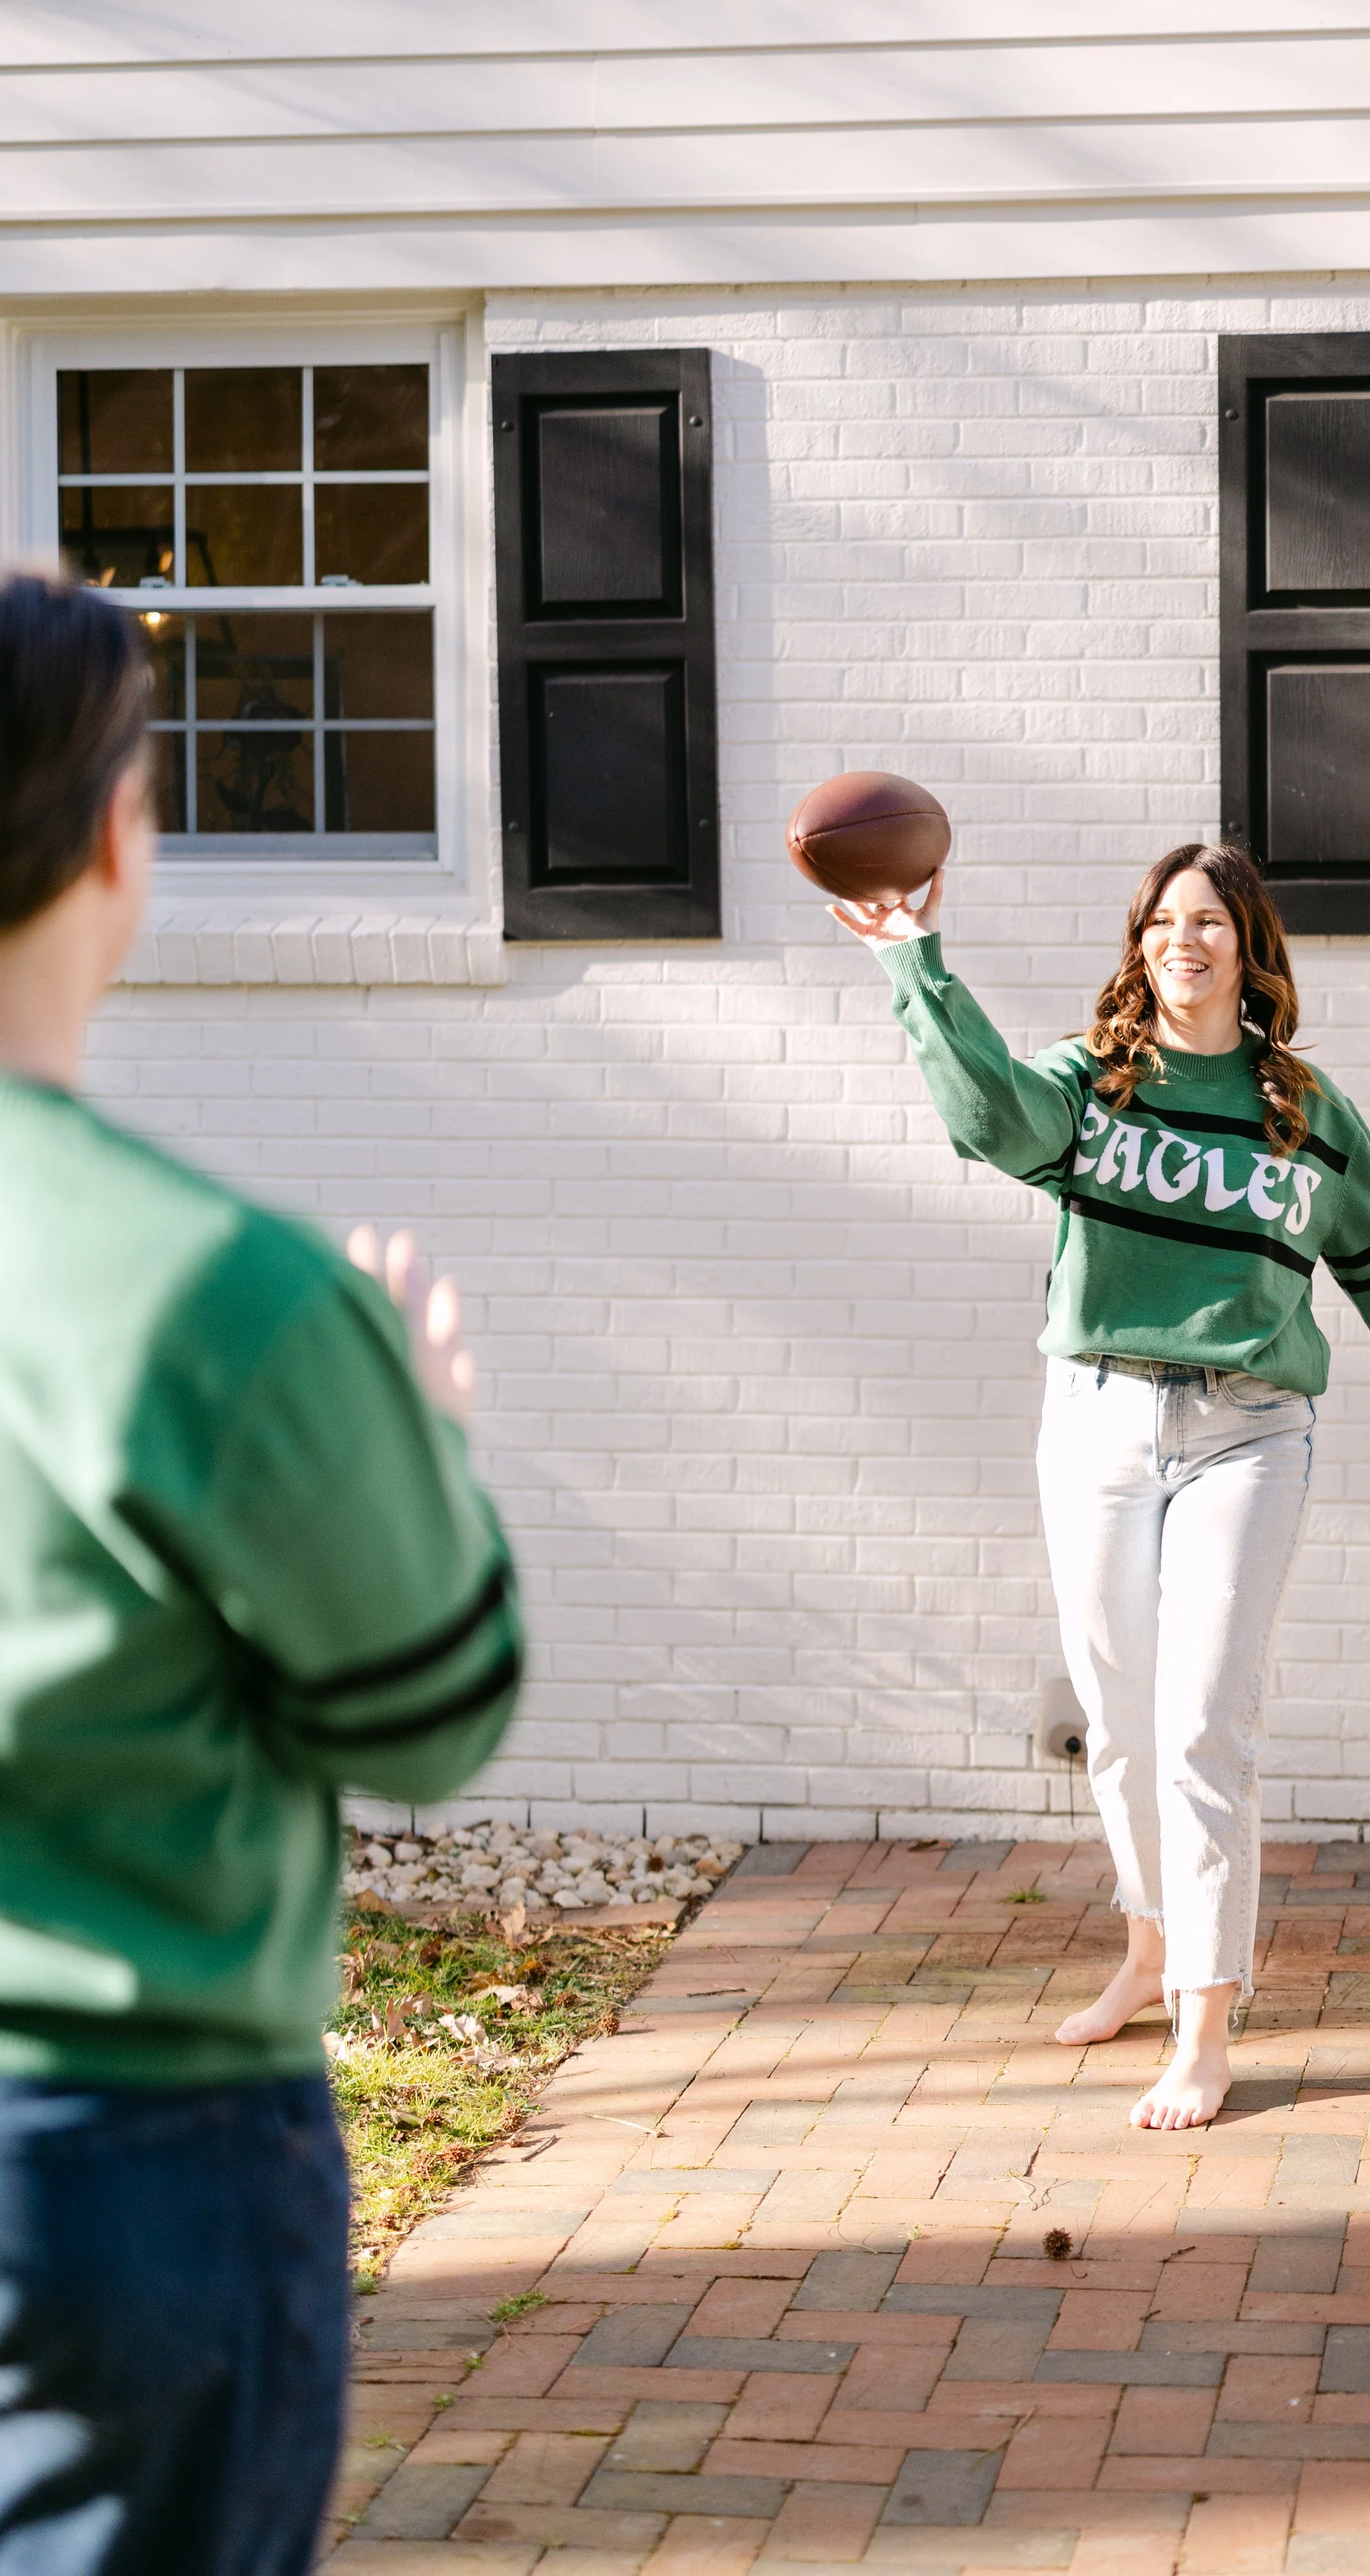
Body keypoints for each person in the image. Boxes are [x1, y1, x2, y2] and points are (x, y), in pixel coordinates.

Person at [0, 574, 523, 2571]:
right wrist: (428, 1447)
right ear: (120, 841)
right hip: (125, 2147)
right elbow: (427, 1707)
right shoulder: (220, 1295)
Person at [835, 841, 1370, 2131]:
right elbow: (987, 1112)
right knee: (1119, 1720)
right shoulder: (1096, 1084)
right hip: (1095, 1419)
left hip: (1250, 1432)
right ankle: (1149, 1947)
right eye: (1162, 922)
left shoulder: (1303, 1110)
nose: (1182, 941)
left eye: (1208, 921)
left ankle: (1205, 2026)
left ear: (1248, 948)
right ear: (1139, 945)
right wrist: (908, 959)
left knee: (1208, 1725)